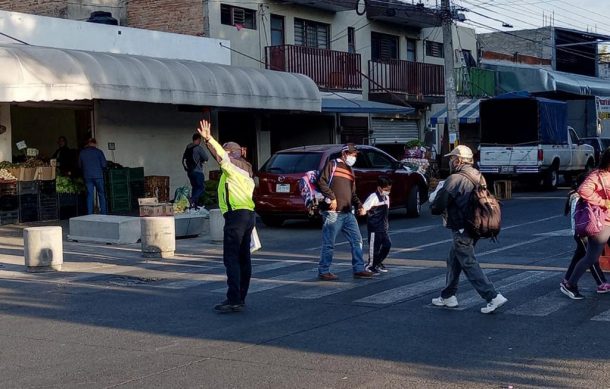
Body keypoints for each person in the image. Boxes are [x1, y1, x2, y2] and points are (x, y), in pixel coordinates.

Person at [430, 145, 507, 314]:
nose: (450, 161)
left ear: (458, 160)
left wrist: (434, 201)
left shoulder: (455, 179)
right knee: (454, 259)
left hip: (461, 226)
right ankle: (448, 295)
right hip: (476, 225)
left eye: (452, 158)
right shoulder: (478, 175)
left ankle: (492, 296)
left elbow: (438, 205)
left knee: (468, 262)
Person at [197, 119, 255, 313]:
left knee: (231, 258)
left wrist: (208, 139)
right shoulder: (246, 168)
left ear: (231, 153)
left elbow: (222, 156)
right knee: (243, 258)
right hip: (247, 215)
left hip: (236, 217)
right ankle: (240, 296)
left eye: (225, 150)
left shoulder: (233, 166)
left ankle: (234, 299)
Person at [317, 143, 373, 281]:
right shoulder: (332, 164)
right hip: (333, 212)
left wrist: (360, 206)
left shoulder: (350, 170)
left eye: (355, 155)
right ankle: (324, 270)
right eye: (352, 154)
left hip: (348, 212)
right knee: (329, 243)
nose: (354, 157)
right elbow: (321, 182)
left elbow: (352, 193)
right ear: (344, 154)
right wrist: (332, 197)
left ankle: (359, 268)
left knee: (357, 240)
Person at [561, 147, 610, 299]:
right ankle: (570, 284)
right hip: (601, 223)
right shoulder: (597, 175)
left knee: (588, 255)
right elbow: (583, 190)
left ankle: (570, 282)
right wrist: (603, 201)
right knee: (590, 257)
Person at [362, 176, 393, 274]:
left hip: (383, 228)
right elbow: (364, 208)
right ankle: (370, 265)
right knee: (374, 248)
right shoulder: (373, 197)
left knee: (387, 245)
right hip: (374, 228)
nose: (387, 191)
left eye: (389, 189)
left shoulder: (386, 198)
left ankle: (378, 262)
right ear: (379, 188)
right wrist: (362, 211)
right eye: (385, 189)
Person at [78, 138, 107, 215]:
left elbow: (79, 165)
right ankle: (104, 213)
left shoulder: (82, 153)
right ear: (95, 143)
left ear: (88, 143)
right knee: (101, 194)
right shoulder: (99, 152)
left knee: (89, 195)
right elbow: (104, 164)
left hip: (87, 176)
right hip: (98, 176)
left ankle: (90, 214)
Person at [182, 133, 209, 208]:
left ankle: (194, 205)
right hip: (198, 171)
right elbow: (206, 158)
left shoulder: (188, 147)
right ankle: (191, 200)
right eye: (200, 140)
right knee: (201, 188)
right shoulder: (198, 148)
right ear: (198, 139)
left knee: (195, 187)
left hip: (190, 172)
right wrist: (202, 160)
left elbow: (184, 159)